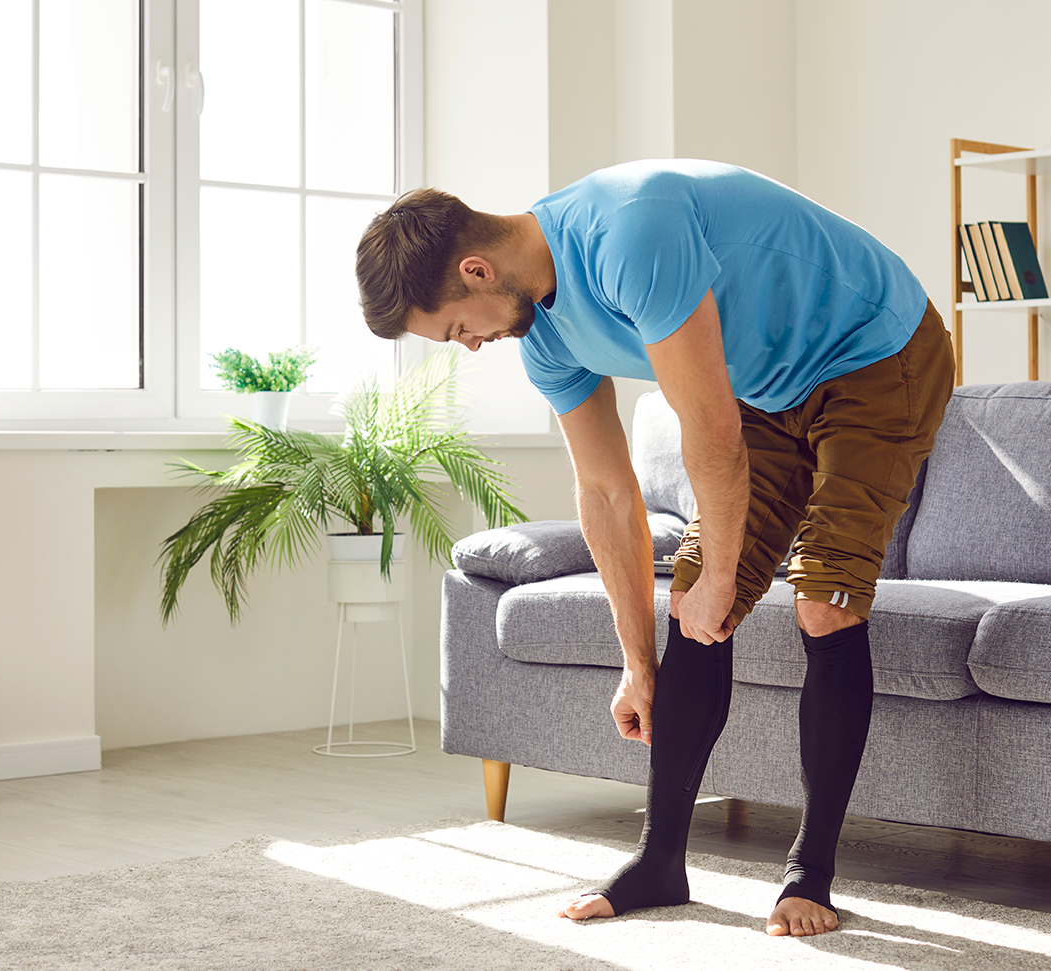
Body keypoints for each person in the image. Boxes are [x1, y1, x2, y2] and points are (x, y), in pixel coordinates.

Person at [355, 159, 955, 937]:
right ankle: (662, 859)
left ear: (476, 270)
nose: (470, 346)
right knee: (694, 598)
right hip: (769, 389)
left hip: (879, 352)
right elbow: (605, 491)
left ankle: (811, 872)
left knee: (822, 602)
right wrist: (639, 664)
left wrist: (725, 578)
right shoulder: (543, 334)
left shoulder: (629, 230)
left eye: (456, 329)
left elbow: (711, 429)